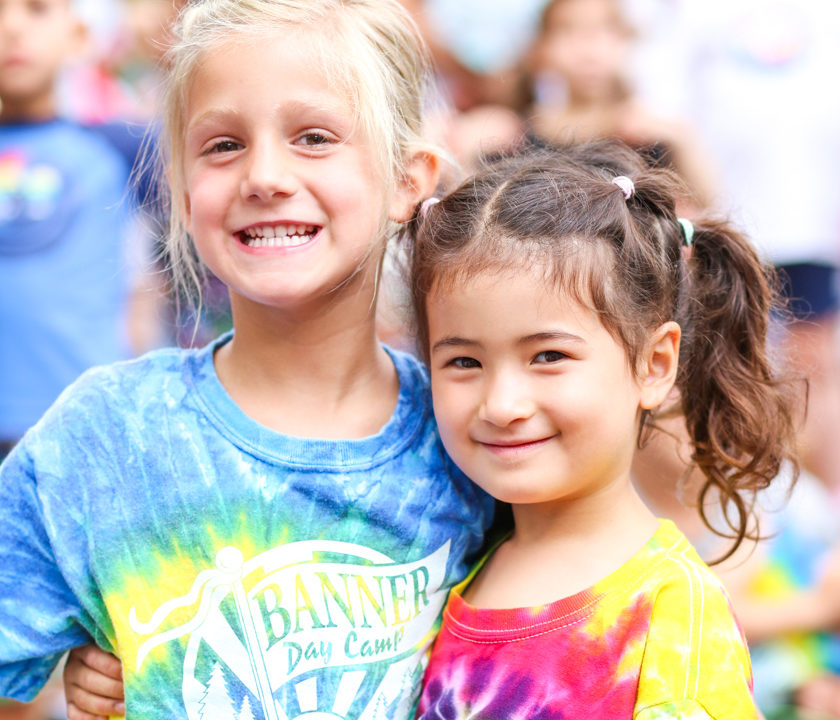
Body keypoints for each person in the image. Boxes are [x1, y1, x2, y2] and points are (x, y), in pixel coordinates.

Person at [0, 1, 494, 719]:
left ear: (407, 179)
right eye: (224, 145)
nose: (264, 175)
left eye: (315, 137)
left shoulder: (473, 440)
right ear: (180, 182)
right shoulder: (104, 438)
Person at [407, 140, 798, 717]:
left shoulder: (673, 610)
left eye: (548, 356)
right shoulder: (452, 563)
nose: (502, 403)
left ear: (654, 365)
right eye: (464, 362)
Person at [0, 0, 140, 463]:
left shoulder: (119, 148)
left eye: (36, 10)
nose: (12, 28)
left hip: (82, 428)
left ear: (78, 37)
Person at [526, 0, 716, 211]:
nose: (588, 50)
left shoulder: (649, 134)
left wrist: (683, 141)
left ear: (626, 40)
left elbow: (705, 206)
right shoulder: (519, 134)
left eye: (606, 30)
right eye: (568, 31)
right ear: (542, 46)